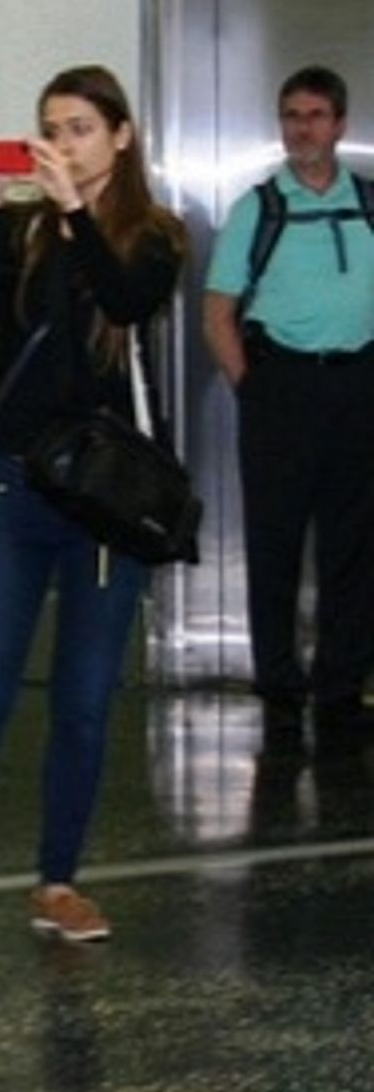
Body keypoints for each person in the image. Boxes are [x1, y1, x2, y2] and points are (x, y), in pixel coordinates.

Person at [0, 65, 187, 945]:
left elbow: (129, 298)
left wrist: (73, 215)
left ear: (121, 138)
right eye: (50, 130)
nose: (62, 145)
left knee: (84, 700)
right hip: (14, 482)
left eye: (80, 129)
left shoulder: (155, 234)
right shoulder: (31, 229)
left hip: (105, 497)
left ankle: (59, 883)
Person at [202, 65, 374, 753]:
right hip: (281, 389)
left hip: (359, 387)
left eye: (315, 115)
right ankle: (279, 693)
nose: (302, 129)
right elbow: (217, 314)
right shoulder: (258, 209)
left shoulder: (368, 204)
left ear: (340, 124)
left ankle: (340, 691)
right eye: (291, 116)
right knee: (274, 549)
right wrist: (257, 391)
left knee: (355, 551)